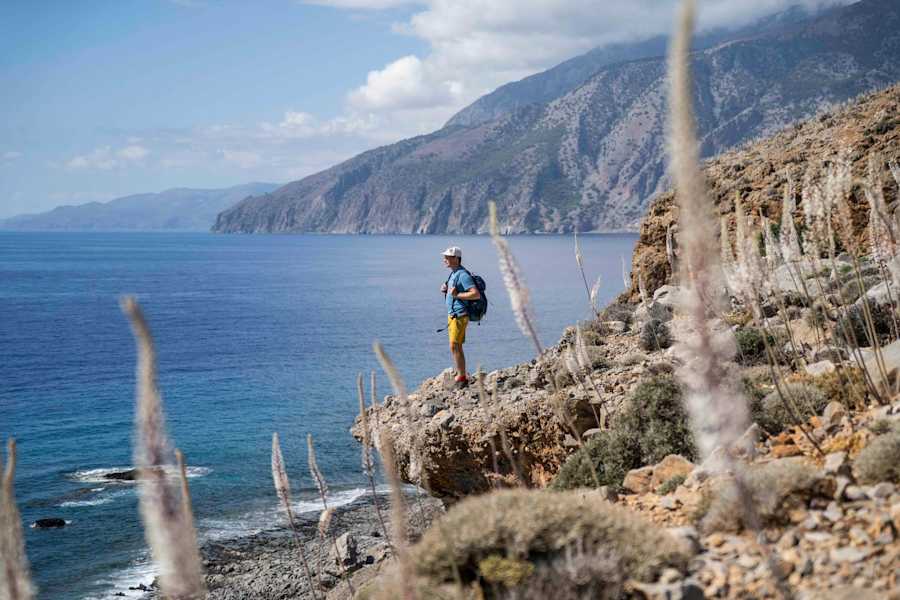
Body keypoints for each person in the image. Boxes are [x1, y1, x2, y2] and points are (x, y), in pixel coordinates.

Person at [440, 246, 481, 389]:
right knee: (455, 346)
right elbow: (453, 291)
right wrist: (446, 289)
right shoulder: (453, 274)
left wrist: (457, 295)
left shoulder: (462, 275)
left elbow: (475, 294)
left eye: (447, 257)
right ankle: (460, 374)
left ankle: (461, 378)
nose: (444, 259)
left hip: (459, 316)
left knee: (455, 346)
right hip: (453, 316)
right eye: (445, 257)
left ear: (456, 259)